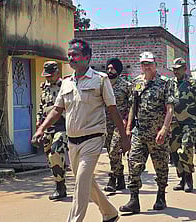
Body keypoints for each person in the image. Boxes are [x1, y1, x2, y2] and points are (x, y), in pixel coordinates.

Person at [33, 38, 130, 222]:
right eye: (69, 55)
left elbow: (113, 109)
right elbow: (57, 109)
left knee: (80, 182)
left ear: (87, 57)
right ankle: (110, 213)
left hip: (93, 139)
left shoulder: (100, 80)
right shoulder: (67, 83)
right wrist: (41, 129)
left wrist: (124, 137)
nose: (71, 58)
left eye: (75, 55)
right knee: (86, 182)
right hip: (73, 142)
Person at [120, 52, 174, 214]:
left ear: (155, 64)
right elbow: (132, 107)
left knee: (161, 166)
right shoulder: (136, 83)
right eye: (143, 64)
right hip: (140, 132)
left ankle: (161, 196)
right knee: (133, 163)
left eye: (149, 63)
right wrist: (128, 128)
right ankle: (134, 199)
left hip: (158, 134)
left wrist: (165, 129)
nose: (146, 67)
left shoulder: (165, 83)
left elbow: (170, 108)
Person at [169, 58, 196, 193]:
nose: (175, 71)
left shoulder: (192, 84)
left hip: (189, 123)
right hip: (174, 123)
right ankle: (181, 177)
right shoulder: (170, 84)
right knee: (174, 151)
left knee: (186, 149)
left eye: (178, 68)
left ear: (184, 69)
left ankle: (188, 178)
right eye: (174, 69)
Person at [35, 61, 68, 200]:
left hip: (62, 125)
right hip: (48, 127)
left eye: (50, 76)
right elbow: (42, 106)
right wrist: (39, 120)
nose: (48, 79)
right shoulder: (45, 88)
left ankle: (60, 187)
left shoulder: (65, 86)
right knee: (50, 158)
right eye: (46, 76)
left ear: (57, 73)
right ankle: (60, 185)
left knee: (55, 152)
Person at [103, 58, 132, 193]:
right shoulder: (103, 84)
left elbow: (132, 105)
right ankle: (120, 178)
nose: (110, 71)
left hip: (120, 123)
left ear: (118, 70)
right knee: (111, 152)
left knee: (114, 149)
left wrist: (127, 121)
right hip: (105, 123)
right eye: (108, 68)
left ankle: (113, 179)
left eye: (112, 68)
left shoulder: (126, 85)